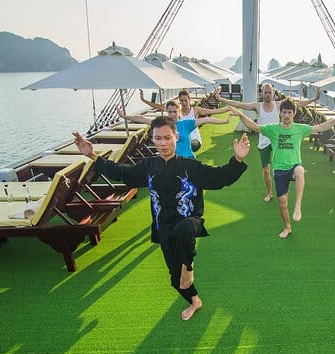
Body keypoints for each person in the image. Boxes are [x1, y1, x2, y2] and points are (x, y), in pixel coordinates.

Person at [72, 117, 250, 321]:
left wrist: (238, 160)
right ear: (152, 139)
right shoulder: (149, 166)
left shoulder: (190, 167)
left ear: (176, 137)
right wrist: (92, 155)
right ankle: (194, 301)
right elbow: (121, 173)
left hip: (190, 221)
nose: (163, 143)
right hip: (164, 227)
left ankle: (188, 267)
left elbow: (220, 178)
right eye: (158, 139)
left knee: (184, 230)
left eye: (167, 138)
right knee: (176, 279)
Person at [230, 100, 335, 238]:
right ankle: (288, 227)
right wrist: (240, 114)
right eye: (284, 112)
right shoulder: (272, 129)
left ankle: (298, 205)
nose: (287, 115)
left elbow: (320, 127)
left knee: (300, 171)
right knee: (282, 203)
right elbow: (254, 126)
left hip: (294, 167)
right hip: (279, 170)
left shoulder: (300, 128)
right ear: (280, 113)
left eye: (289, 112)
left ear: (294, 113)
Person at [216, 83, 321, 202]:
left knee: (280, 166)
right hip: (264, 141)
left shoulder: (279, 105)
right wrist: (221, 99)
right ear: (261, 94)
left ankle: (289, 177)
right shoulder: (257, 106)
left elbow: (298, 104)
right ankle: (270, 193)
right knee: (266, 170)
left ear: (273, 93)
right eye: (265, 92)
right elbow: (240, 104)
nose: (267, 94)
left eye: (270, 92)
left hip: (277, 140)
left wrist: (314, 99)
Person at [118, 100, 231, 158]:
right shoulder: (163, 124)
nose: (172, 114)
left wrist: (225, 121)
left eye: (174, 111)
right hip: (171, 161)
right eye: (170, 112)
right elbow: (142, 119)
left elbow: (207, 119)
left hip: (188, 159)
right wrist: (124, 116)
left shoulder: (186, 124)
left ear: (179, 111)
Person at [139, 89, 229, 153]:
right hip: (180, 140)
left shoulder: (195, 110)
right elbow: (158, 106)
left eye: (186, 100)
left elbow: (213, 112)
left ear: (189, 100)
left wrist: (227, 110)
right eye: (181, 101)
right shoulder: (176, 110)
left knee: (179, 145)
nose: (184, 103)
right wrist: (143, 100)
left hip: (194, 141)